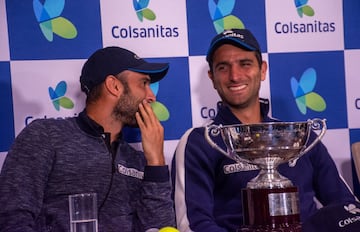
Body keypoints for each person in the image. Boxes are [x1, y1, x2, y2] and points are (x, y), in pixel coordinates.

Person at [171, 29, 357, 232]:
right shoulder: (201, 141)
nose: (235, 76)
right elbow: (194, 224)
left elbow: (345, 207)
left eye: (245, 64)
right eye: (223, 67)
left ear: (262, 70)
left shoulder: (297, 135)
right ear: (212, 77)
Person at [0, 46, 176, 232]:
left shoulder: (137, 159)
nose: (152, 96)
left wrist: (156, 162)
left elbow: (160, 227)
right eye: (144, 83)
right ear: (114, 86)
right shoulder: (45, 136)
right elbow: (12, 220)